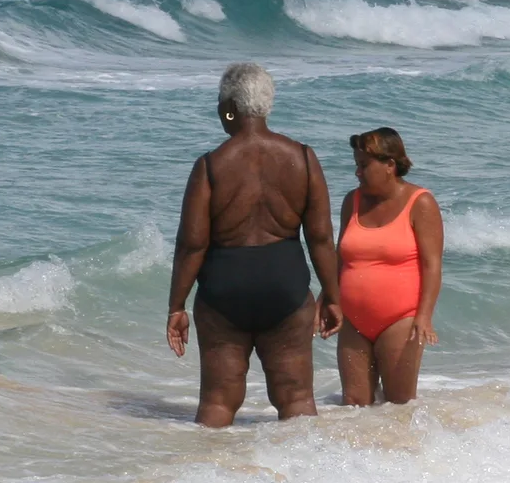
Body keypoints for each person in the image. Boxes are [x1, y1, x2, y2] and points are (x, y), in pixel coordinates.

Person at [166, 64, 341, 426]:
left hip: (224, 292)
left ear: (229, 108)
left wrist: (177, 305)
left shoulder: (211, 166)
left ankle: (209, 476)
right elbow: (321, 238)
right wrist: (334, 295)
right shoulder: (303, 159)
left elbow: (191, 245)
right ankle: (308, 475)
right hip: (286, 288)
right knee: (296, 398)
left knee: (217, 401)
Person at [335, 126, 442, 407]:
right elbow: (340, 257)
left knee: (399, 406)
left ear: (389, 165)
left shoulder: (421, 203)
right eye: (356, 165)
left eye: (363, 165)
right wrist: (328, 299)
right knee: (354, 406)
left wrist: (424, 316)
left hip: (400, 320)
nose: (357, 173)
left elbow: (432, 265)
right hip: (353, 322)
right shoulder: (352, 201)